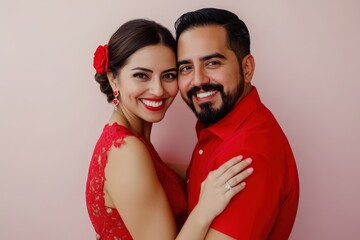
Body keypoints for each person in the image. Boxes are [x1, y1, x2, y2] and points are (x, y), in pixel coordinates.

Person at [85, 19, 254, 240]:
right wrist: (205, 210)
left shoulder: (132, 143)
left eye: (168, 76)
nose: (158, 90)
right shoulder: (126, 151)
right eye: (141, 75)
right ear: (113, 79)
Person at [175, 8, 300, 240]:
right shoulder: (225, 125)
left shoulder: (248, 154)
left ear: (247, 68)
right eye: (186, 68)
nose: (198, 80)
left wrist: (201, 215)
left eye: (212, 63)